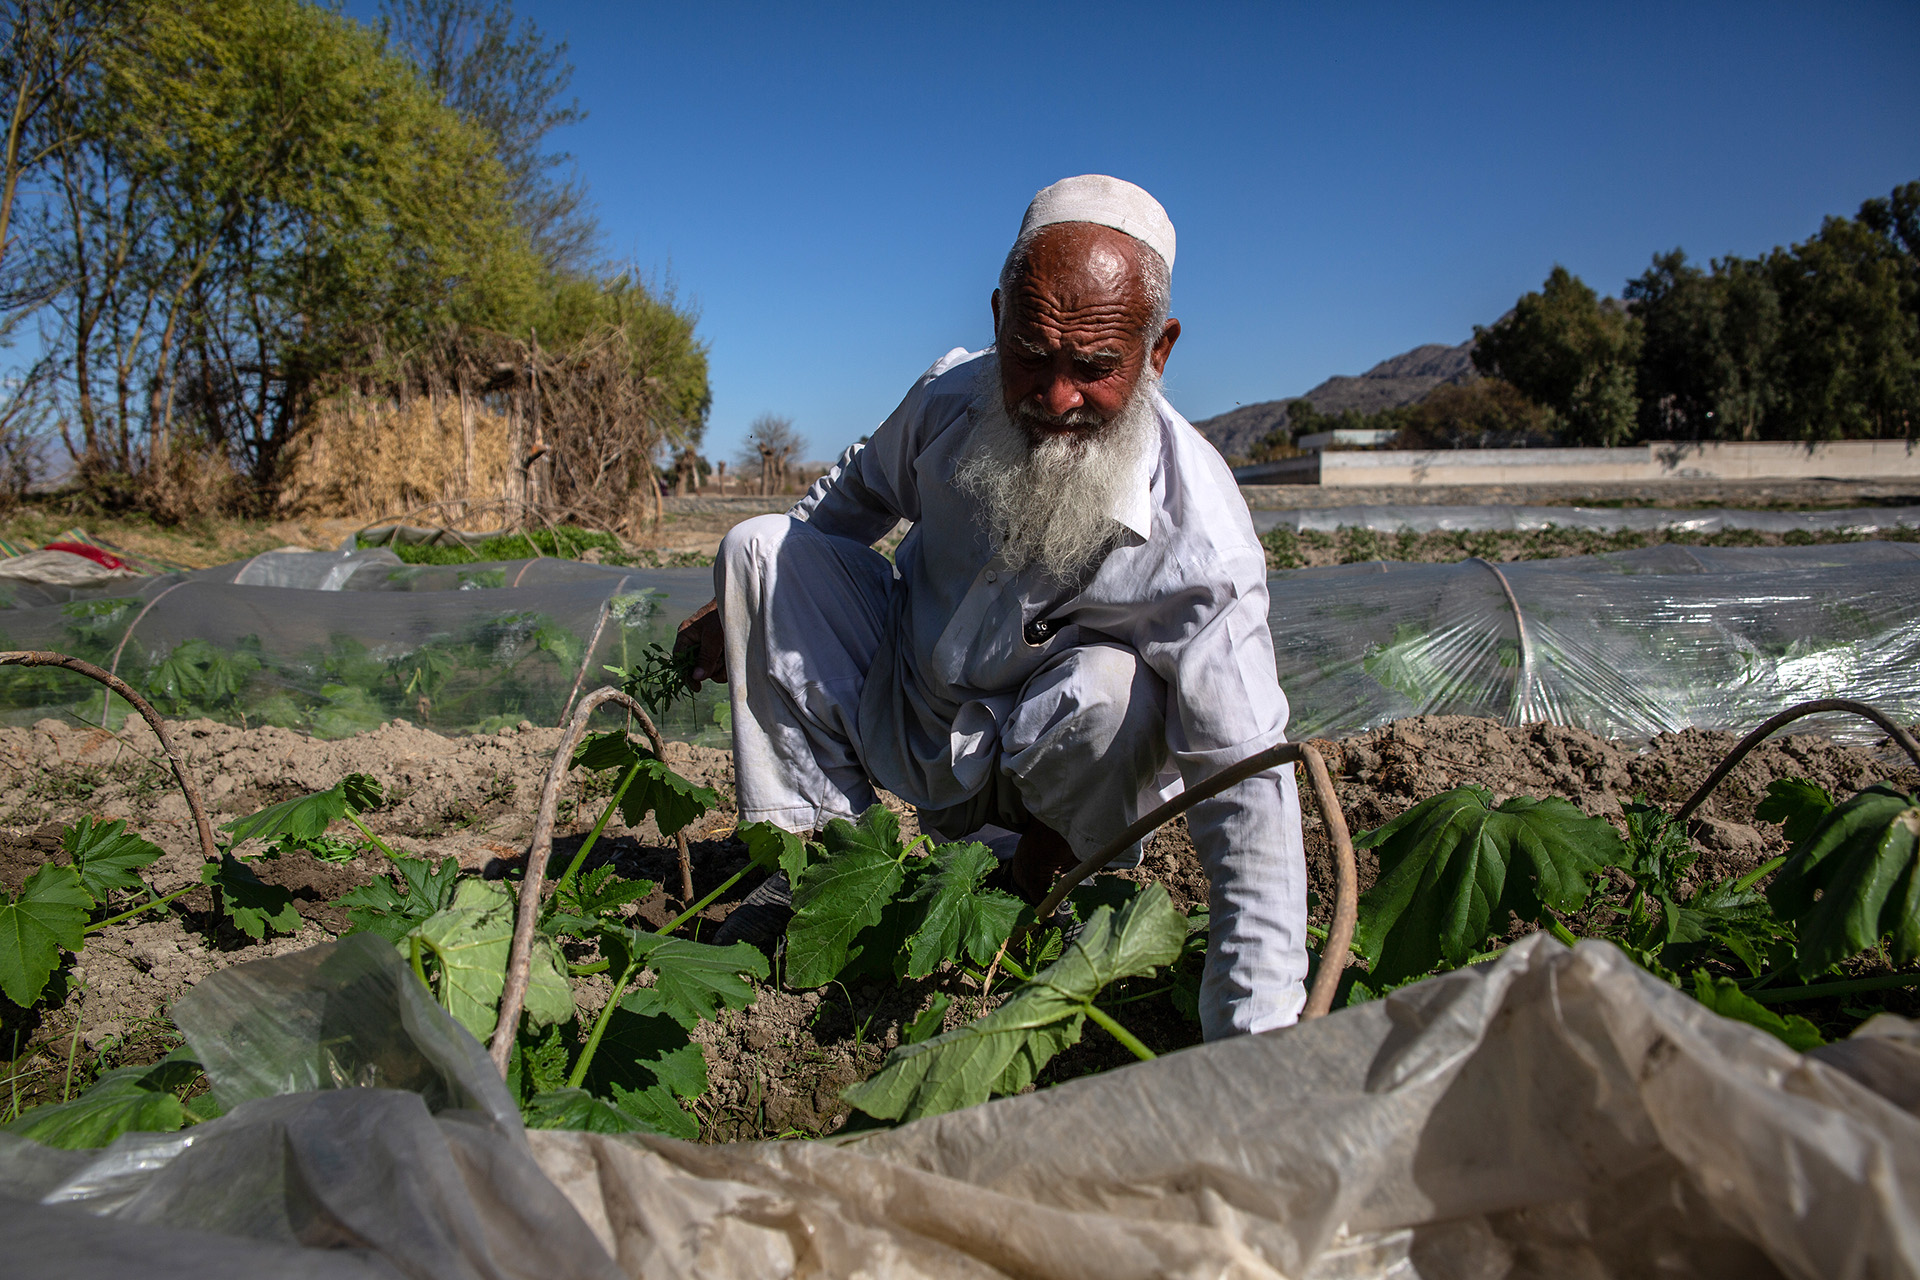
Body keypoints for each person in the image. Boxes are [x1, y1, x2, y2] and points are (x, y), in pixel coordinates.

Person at [674, 175, 1308, 1038]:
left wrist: (1257, 1037)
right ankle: (820, 868)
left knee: (1114, 689)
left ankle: (1060, 883)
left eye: (1093, 368)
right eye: (1030, 355)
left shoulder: (1199, 539)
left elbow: (1247, 784)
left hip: (1048, 783)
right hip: (913, 706)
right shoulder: (952, 396)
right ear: (998, 315)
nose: (1054, 400)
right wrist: (735, 607)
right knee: (758, 551)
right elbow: (849, 499)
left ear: (1157, 353)